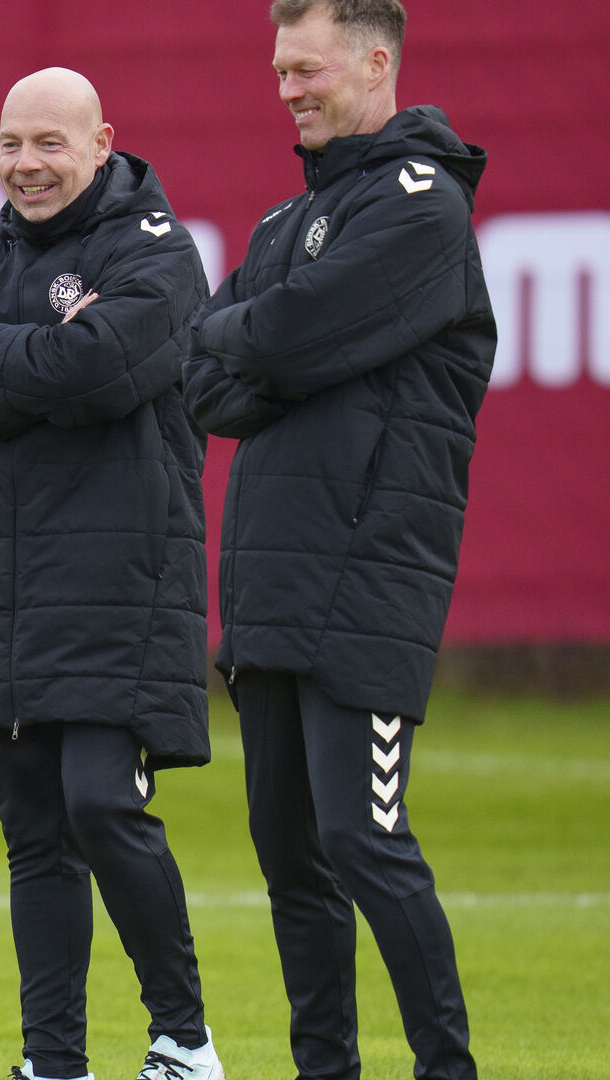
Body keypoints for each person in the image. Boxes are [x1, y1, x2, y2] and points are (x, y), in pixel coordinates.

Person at [0, 67, 223, 1080]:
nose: (25, 165)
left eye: (48, 144)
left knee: (103, 806)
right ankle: (53, 1064)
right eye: (10, 144)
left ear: (101, 144)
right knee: (34, 833)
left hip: (123, 586)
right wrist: (42, 363)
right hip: (7, 596)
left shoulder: (157, 252)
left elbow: (101, 370)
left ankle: (184, 1042)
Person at [181, 2, 493, 1078]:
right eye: (280, 70)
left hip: (368, 584)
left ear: (374, 62)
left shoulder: (423, 206)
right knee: (291, 861)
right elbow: (207, 378)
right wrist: (267, 347)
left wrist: (262, 343)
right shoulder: (285, 222)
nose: (289, 89)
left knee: (365, 841)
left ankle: (446, 1069)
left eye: (306, 68)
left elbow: (277, 335)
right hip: (270, 581)